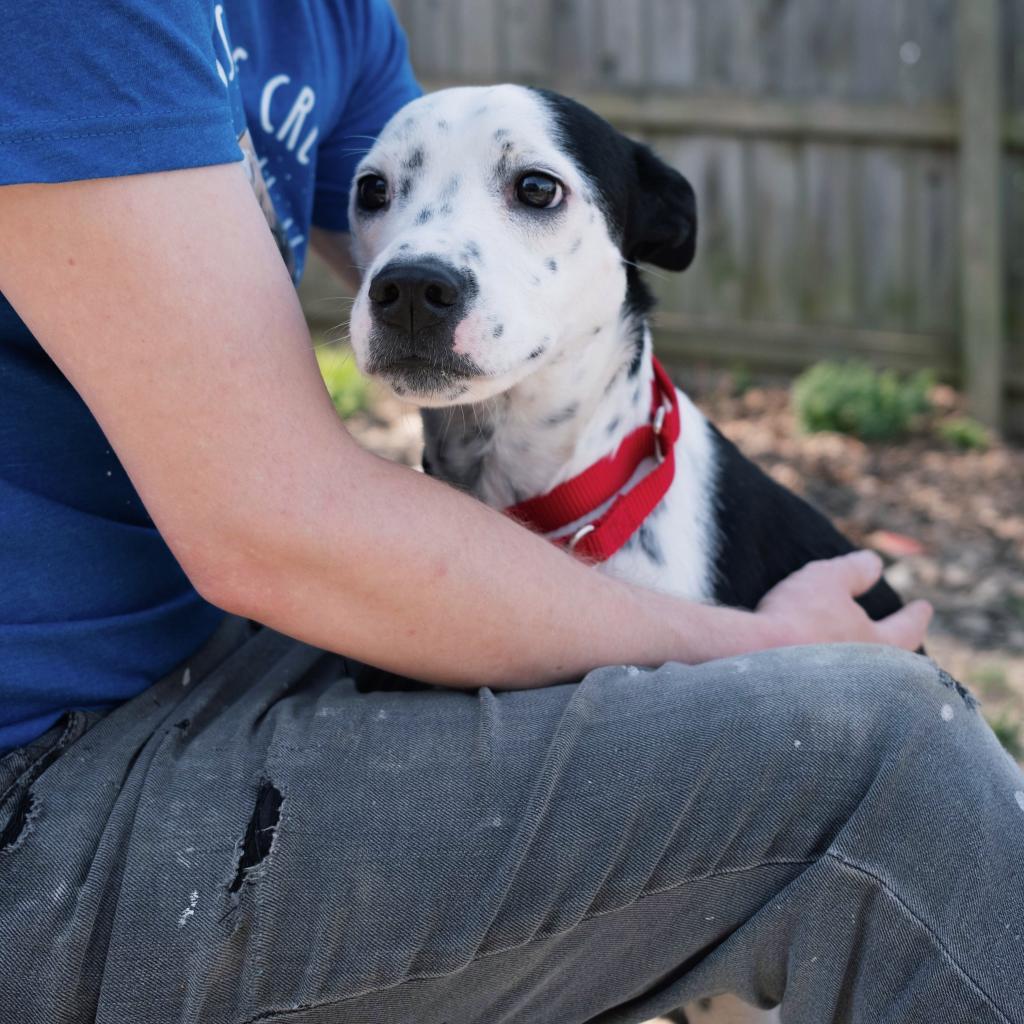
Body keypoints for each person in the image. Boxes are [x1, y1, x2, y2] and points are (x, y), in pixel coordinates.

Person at [0, 2, 1020, 1022]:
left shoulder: (329, 18)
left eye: (535, 193)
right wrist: (756, 650)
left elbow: (455, 226)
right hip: (49, 779)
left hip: (209, 657)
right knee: (893, 760)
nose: (410, 269)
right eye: (376, 195)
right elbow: (275, 522)